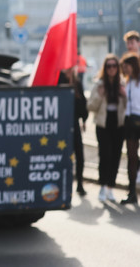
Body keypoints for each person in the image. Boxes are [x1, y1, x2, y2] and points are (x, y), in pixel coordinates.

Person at [87, 54, 126, 202]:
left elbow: (131, 106)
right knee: (105, 155)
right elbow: (90, 106)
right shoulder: (99, 84)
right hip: (103, 124)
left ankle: (111, 187)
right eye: (108, 66)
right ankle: (102, 186)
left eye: (114, 66)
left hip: (118, 124)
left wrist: (124, 95)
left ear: (118, 68)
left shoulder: (122, 84)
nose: (112, 69)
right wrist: (100, 95)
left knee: (116, 156)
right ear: (105, 68)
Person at [59, 66, 88, 196]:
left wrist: (84, 118)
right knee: (64, 155)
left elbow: (83, 106)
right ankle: (64, 184)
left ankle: (80, 183)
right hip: (61, 125)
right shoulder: (58, 80)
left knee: (79, 155)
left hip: (74, 123)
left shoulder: (77, 83)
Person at [120, 53, 140, 204]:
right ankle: (132, 191)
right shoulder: (126, 82)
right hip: (129, 120)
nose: (124, 69)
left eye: (126, 66)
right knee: (131, 156)